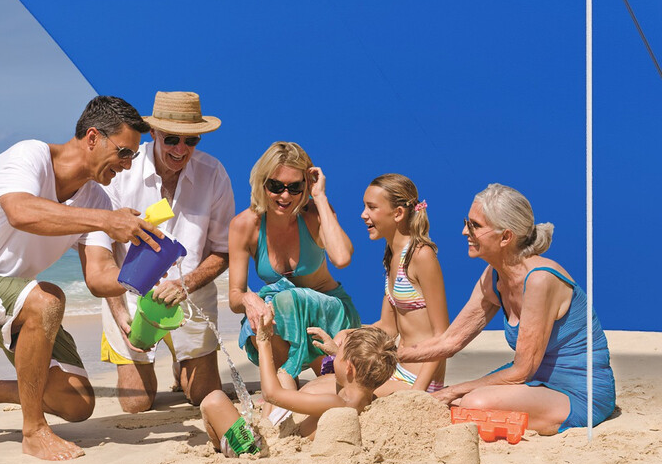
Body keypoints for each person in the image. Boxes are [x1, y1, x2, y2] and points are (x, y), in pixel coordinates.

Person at [0, 96, 163, 461]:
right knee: (47, 299)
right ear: (93, 137)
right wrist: (107, 221)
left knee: (77, 403)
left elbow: (99, 278)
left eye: (132, 156)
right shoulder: (30, 156)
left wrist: (145, 276)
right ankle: (33, 431)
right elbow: (21, 212)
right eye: (124, 152)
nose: (128, 166)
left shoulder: (97, 199)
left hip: (17, 301)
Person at [397, 183, 616, 435]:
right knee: (460, 403)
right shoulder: (493, 276)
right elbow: (450, 340)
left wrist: (454, 390)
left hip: (578, 390)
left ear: (505, 237)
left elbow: (523, 370)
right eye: (467, 222)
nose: (464, 231)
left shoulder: (540, 279)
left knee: (471, 403)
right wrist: (393, 355)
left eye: (474, 226)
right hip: (535, 383)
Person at [101, 91, 234, 411]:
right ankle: (172, 362)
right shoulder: (121, 171)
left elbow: (223, 251)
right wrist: (118, 310)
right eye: (172, 138)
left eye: (191, 141)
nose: (181, 149)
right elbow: (99, 249)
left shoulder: (213, 173)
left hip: (191, 296)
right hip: (130, 297)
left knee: (201, 396)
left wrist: (185, 284)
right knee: (137, 405)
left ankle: (185, 365)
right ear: (154, 133)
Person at [229, 141, 361, 393]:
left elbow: (342, 258)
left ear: (306, 186)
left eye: (295, 187)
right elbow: (234, 297)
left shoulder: (313, 214)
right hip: (286, 315)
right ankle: (285, 387)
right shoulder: (245, 225)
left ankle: (286, 384)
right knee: (261, 312)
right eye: (276, 186)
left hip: (330, 314)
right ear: (262, 183)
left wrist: (320, 197)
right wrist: (248, 298)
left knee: (342, 389)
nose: (285, 196)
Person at [200, 305, 398, 454]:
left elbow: (271, 394)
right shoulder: (365, 397)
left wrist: (263, 342)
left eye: (339, 355)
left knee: (213, 401)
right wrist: (339, 352)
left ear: (349, 368)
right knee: (284, 376)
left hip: (258, 451)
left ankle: (233, 449)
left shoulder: (337, 402)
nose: (334, 355)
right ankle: (235, 438)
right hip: (284, 430)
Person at [360, 174, 449, 395]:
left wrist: (417, 394)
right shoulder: (392, 256)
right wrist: (346, 335)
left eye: (372, 207)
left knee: (340, 395)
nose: (363, 215)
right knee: (321, 386)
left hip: (418, 381)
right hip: (397, 371)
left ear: (398, 213)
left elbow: (442, 336)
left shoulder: (421, 255)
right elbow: (388, 327)